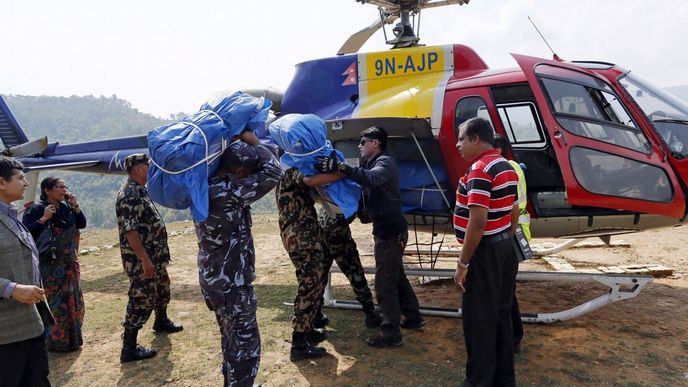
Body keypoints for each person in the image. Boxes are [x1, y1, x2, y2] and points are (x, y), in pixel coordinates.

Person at [315, 125, 423, 348]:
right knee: (396, 276)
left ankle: (391, 334)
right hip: (388, 230)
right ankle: (413, 316)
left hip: (391, 232)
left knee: (384, 284)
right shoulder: (371, 163)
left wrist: (342, 167)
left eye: (363, 142)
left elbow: (371, 179)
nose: (359, 145)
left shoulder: (385, 163)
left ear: (376, 143)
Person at [194, 132, 282, 386]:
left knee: (230, 339)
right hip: (232, 283)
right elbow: (274, 172)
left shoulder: (207, 187)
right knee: (246, 345)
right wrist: (255, 142)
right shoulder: (230, 192)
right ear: (241, 170)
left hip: (214, 280)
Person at [453, 118, 520, 386]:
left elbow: (477, 222)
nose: (458, 144)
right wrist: (506, 240)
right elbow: (514, 210)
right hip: (503, 249)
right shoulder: (506, 165)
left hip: (485, 253)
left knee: (479, 321)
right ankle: (503, 380)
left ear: (475, 139)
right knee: (501, 317)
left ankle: (478, 381)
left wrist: (463, 263)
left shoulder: (480, 169)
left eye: (461, 138)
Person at [116, 153, 183, 363]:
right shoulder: (130, 194)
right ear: (136, 168)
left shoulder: (140, 191)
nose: (150, 167)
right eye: (147, 164)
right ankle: (129, 347)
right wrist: (144, 259)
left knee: (162, 288)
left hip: (155, 256)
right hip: (141, 260)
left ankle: (161, 321)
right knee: (141, 299)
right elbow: (131, 231)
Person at [0, 156, 52, 386]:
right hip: (6, 331)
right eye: (21, 178)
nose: (27, 183)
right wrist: (11, 289)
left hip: (30, 323)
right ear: (2, 182)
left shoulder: (11, 215)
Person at [23, 177, 87, 352]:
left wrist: (75, 205)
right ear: (47, 191)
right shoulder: (36, 209)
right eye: (60, 187)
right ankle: (57, 342)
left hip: (70, 264)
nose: (64, 190)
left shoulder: (66, 207)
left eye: (65, 186)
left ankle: (73, 339)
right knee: (57, 304)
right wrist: (44, 218)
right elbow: (26, 233)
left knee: (74, 302)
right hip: (50, 267)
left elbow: (82, 223)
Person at [275, 165, 330, 360]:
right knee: (309, 288)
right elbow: (309, 181)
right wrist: (340, 172)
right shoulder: (291, 171)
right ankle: (299, 343)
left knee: (313, 285)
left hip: (302, 238)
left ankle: (306, 332)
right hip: (302, 239)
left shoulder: (285, 174)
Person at [314, 209, 382, 329]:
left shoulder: (331, 190)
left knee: (320, 273)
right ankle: (371, 314)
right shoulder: (355, 191)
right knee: (355, 272)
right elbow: (365, 216)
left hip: (322, 226)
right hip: (337, 232)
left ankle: (316, 316)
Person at [493, 135, 530, 354]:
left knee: (505, 289)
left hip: (511, 231)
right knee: (506, 288)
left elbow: (509, 204)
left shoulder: (506, 168)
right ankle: (513, 336)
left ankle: (513, 338)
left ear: (497, 149)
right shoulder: (514, 165)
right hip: (514, 229)